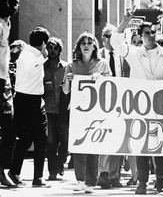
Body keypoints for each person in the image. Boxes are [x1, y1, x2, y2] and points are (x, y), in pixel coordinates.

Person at [110, 14, 163, 194]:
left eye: (153, 32)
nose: (150, 35)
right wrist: (125, 21)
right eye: (146, 33)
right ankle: (142, 182)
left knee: (160, 144)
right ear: (140, 36)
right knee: (141, 145)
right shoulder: (134, 53)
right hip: (140, 106)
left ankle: (160, 179)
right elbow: (115, 42)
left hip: (162, 106)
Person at [62, 31, 111, 193]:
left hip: (96, 111)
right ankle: (80, 180)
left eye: (90, 43)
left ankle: (91, 182)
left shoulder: (102, 63)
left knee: (93, 146)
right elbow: (65, 91)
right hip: (77, 111)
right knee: (78, 146)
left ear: (95, 46)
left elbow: (111, 85)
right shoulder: (72, 65)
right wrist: (68, 80)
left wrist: (100, 77)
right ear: (78, 47)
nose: (86, 46)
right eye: (83, 43)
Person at [8, 27, 50, 187]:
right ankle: (14, 171)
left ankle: (38, 177)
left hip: (36, 101)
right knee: (25, 139)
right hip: (25, 100)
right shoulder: (28, 56)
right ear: (44, 43)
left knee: (41, 138)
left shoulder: (30, 52)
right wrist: (42, 57)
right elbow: (30, 67)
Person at [97, 24, 130, 189]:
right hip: (103, 102)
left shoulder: (123, 55)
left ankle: (114, 175)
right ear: (103, 38)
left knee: (118, 138)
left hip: (121, 101)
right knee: (104, 137)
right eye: (109, 36)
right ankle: (103, 174)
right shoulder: (98, 55)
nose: (112, 39)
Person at [0, 0, 19, 187]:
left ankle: (1, 170)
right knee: (9, 128)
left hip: (4, 80)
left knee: (9, 128)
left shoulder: (5, 24)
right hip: (0, 81)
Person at [43, 37, 68, 181]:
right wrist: (43, 88)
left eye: (55, 48)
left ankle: (60, 162)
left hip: (63, 110)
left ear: (60, 50)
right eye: (50, 48)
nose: (52, 51)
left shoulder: (66, 67)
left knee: (65, 141)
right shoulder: (42, 67)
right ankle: (52, 171)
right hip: (48, 110)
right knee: (51, 142)